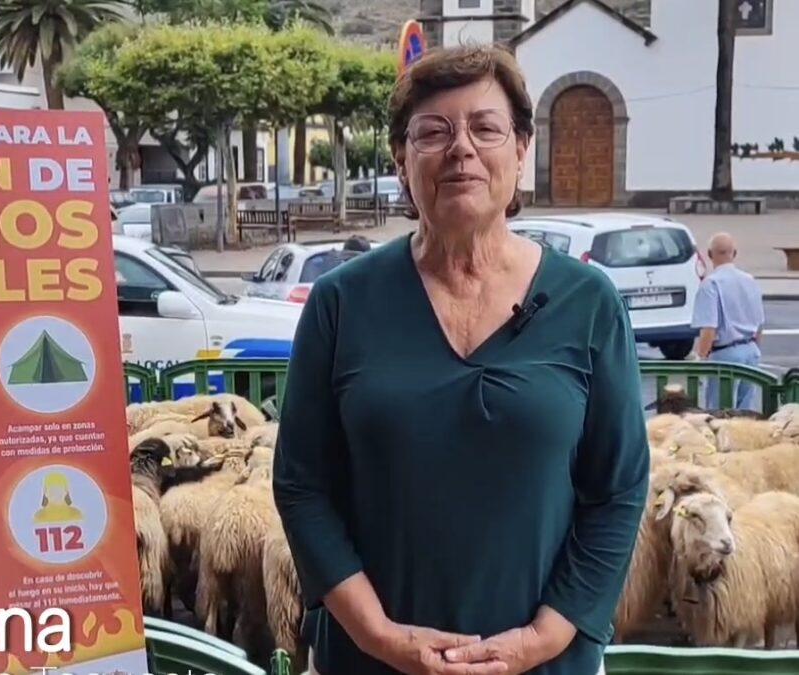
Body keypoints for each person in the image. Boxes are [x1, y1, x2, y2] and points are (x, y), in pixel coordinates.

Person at [272, 43, 649, 675]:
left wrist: (542, 639)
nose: (461, 148)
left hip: (543, 662)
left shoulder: (588, 302)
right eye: (433, 132)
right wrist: (381, 636)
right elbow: (302, 485)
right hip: (372, 660)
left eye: (485, 128)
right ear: (401, 160)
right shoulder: (342, 301)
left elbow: (617, 491)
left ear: (521, 152)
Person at [692, 232, 765, 410]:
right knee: (745, 414)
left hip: (725, 354)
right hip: (751, 351)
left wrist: (700, 358)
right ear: (735, 253)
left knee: (720, 412)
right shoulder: (750, 280)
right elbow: (760, 324)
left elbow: (709, 328)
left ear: (710, 255)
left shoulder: (711, 284)